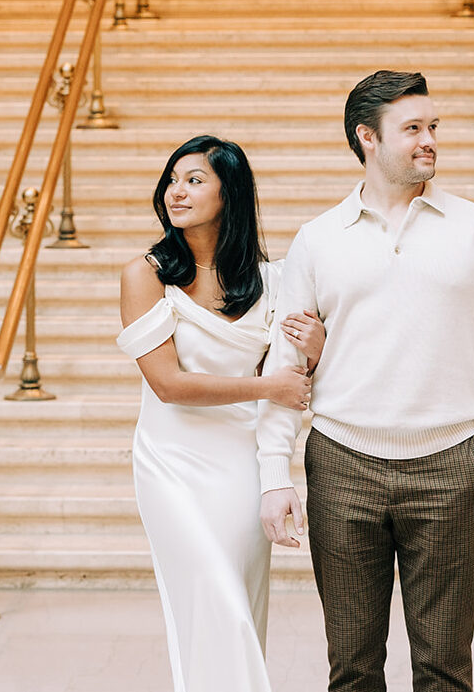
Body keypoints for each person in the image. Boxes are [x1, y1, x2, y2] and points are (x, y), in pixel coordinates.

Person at [256, 71, 474, 692]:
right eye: (413, 128)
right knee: (352, 668)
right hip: (341, 463)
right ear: (367, 138)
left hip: (450, 467)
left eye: (432, 127)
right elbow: (285, 366)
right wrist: (274, 475)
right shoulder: (318, 240)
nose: (429, 140)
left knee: (444, 668)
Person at [116, 134, 325, 692]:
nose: (175, 192)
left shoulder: (274, 280)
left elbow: (298, 375)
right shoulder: (146, 275)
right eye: (171, 180)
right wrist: (265, 388)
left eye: (194, 180)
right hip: (171, 463)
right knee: (214, 597)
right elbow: (168, 384)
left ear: (228, 193)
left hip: (240, 461)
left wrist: (318, 345)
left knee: (241, 600)